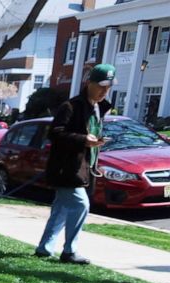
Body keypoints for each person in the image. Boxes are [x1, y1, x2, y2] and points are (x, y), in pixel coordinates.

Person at [34, 63, 115, 265]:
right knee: (81, 206)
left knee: (61, 209)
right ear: (89, 83)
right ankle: (69, 251)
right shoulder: (70, 106)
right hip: (67, 169)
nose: (105, 91)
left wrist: (95, 148)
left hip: (86, 167)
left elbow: (92, 135)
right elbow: (55, 133)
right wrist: (82, 140)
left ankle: (44, 249)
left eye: (109, 87)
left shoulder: (100, 108)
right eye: (101, 86)